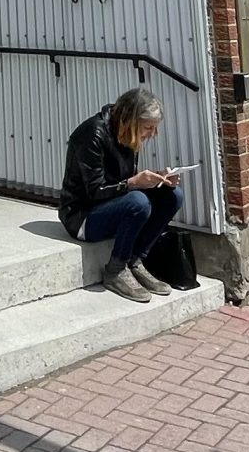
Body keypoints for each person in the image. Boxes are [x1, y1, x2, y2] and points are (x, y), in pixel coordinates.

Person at [58, 86, 187, 302]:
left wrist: (157, 179)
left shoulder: (126, 132)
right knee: (138, 201)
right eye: (148, 128)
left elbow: (124, 182)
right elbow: (94, 191)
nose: (152, 135)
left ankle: (135, 259)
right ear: (130, 120)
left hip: (111, 206)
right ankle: (115, 270)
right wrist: (133, 183)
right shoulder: (92, 134)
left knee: (173, 195)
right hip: (82, 216)